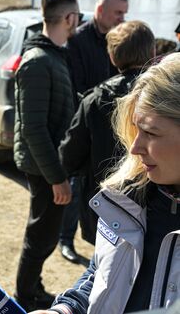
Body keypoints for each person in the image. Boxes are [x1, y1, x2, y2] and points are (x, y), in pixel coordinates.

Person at [32, 52, 180, 314]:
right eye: (136, 130)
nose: (135, 148)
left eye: (151, 133)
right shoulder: (128, 197)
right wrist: (65, 310)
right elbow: (100, 273)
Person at [59, 21, 155, 252]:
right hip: (157, 206)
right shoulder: (165, 96)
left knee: (107, 268)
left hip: (107, 207)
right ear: (153, 52)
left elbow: (69, 155)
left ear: (112, 57)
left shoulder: (94, 100)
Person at [13, 0, 79, 311]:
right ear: (68, 18)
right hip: (44, 166)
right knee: (41, 234)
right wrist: (57, 177)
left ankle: (31, 288)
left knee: (44, 232)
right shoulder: (38, 61)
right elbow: (34, 129)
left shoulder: (53, 54)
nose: (78, 22)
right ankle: (26, 297)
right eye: (76, 16)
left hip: (50, 163)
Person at [58, 0, 129, 263]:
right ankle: (65, 240)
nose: (122, 17)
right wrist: (96, 105)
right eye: (118, 12)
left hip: (111, 125)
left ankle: (101, 239)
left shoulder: (120, 40)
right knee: (76, 187)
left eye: (124, 12)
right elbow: (74, 86)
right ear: (100, 11)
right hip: (85, 119)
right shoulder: (77, 41)